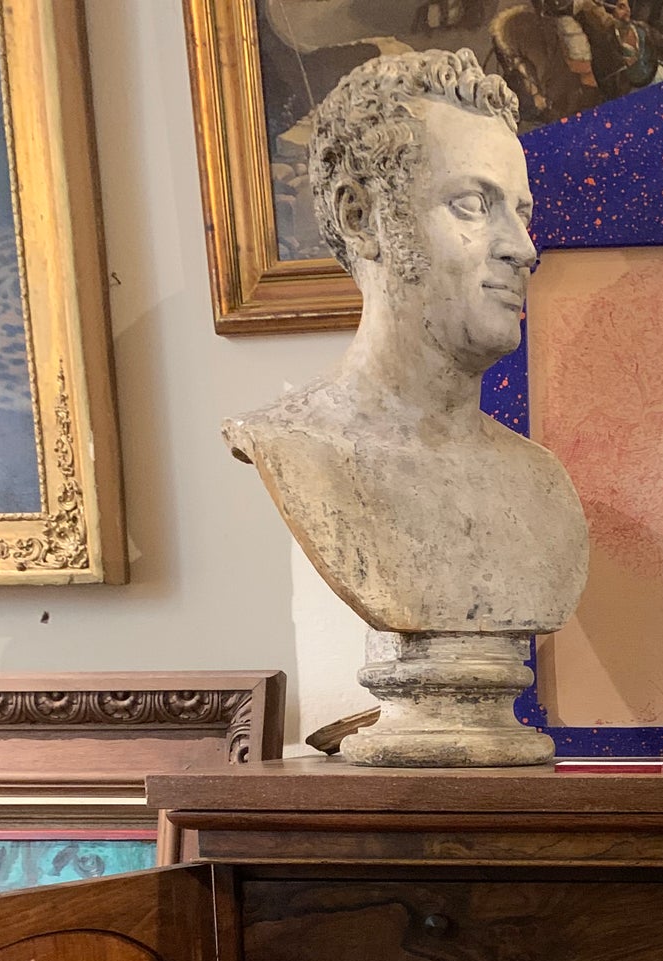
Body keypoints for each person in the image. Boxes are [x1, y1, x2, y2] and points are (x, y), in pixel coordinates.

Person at [224, 50, 588, 763]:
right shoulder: (296, 450)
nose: (524, 248)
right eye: (472, 205)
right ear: (361, 218)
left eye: (521, 213)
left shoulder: (541, 486)